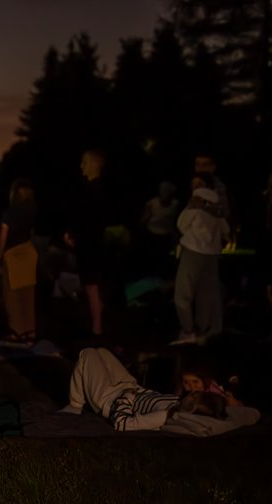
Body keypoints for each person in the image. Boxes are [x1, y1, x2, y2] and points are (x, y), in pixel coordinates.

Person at [60, 348, 181, 431]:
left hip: (111, 401)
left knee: (87, 353)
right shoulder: (176, 401)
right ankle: (81, 398)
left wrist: (127, 397)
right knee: (102, 352)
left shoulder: (162, 416)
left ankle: (75, 405)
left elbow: (122, 423)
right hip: (131, 389)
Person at [171, 186, 229, 345]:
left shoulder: (194, 209)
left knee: (183, 293)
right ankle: (202, 331)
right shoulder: (217, 212)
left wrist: (190, 208)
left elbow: (181, 225)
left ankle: (188, 331)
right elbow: (226, 230)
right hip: (211, 255)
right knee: (205, 294)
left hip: (193, 251)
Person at [64, 149, 110, 336]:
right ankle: (97, 321)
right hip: (90, 244)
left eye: (84, 162)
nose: (81, 166)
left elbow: (89, 220)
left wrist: (75, 236)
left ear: (93, 164)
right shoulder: (94, 189)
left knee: (92, 286)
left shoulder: (94, 190)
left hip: (91, 246)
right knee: (91, 286)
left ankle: (97, 328)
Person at [0, 179, 38, 340]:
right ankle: (30, 330)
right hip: (28, 250)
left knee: (11, 294)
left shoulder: (9, 212)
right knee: (28, 293)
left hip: (13, 254)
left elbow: (3, 235)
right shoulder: (32, 209)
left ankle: (16, 330)